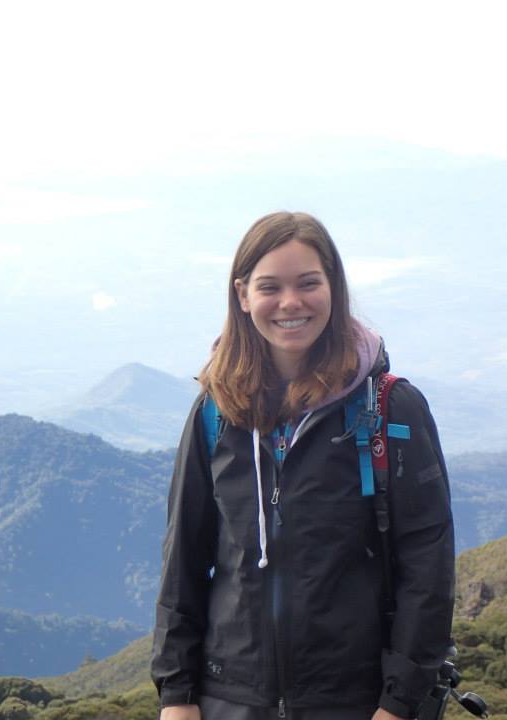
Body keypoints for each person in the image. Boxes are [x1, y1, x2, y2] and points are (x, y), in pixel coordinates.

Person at [151, 212, 455, 720]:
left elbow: (428, 566)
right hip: (230, 696)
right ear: (243, 295)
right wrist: (177, 696)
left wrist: (399, 703)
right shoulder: (216, 411)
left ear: (333, 287)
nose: (290, 303)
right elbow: (183, 555)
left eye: (308, 283)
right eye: (270, 287)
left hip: (355, 700)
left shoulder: (389, 409)